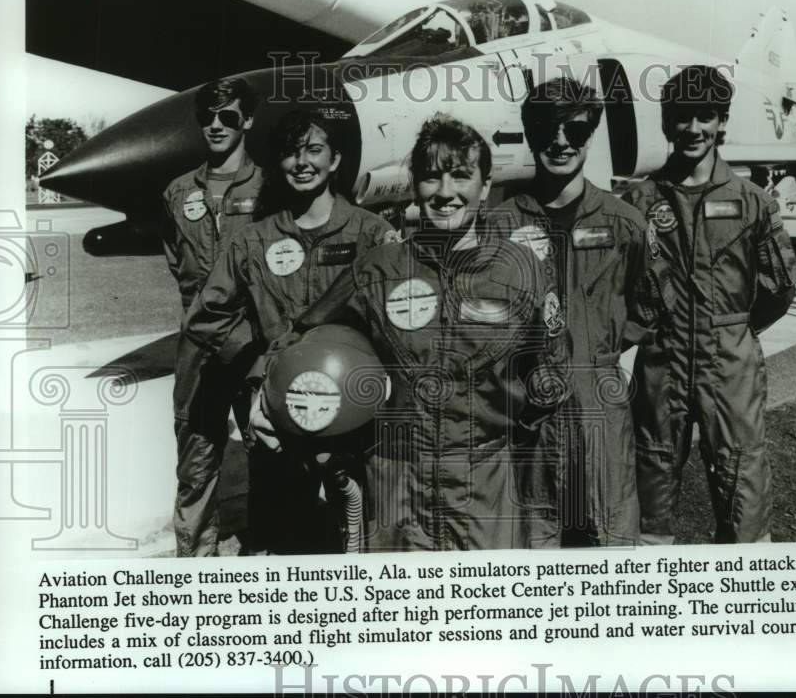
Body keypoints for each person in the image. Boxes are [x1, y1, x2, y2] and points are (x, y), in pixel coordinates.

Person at [251, 113, 569, 551]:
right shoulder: (379, 269)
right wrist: (265, 391)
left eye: (460, 176)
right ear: (414, 183)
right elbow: (304, 333)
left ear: (486, 180)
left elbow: (550, 373)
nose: (444, 193)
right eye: (430, 177)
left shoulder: (522, 271)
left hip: (485, 481)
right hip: (396, 477)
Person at [177, 106, 397, 554]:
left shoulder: (373, 235)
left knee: (367, 535)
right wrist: (259, 365)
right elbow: (206, 316)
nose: (302, 163)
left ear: (334, 160)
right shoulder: (252, 241)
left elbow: (401, 320)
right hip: (279, 416)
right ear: (278, 163)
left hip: (358, 415)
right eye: (291, 153)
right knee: (284, 539)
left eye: (314, 150)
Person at [622, 64, 796, 544]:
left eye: (705, 117)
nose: (693, 129)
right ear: (666, 123)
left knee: (742, 481)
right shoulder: (639, 203)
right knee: (651, 479)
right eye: (682, 117)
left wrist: (734, 330)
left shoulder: (753, 201)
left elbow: (781, 288)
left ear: (722, 122)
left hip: (730, 366)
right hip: (663, 362)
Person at [488, 77, 658, 547]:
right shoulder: (499, 225)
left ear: (590, 135)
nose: (561, 142)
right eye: (547, 129)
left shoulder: (624, 224)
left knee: (606, 542)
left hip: (598, 406)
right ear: (529, 132)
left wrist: (592, 348)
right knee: (530, 544)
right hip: (524, 415)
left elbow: (647, 305)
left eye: (576, 130)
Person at [161, 76, 262, 556]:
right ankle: (196, 568)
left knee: (271, 451)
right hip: (199, 348)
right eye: (207, 116)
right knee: (196, 461)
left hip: (254, 345)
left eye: (227, 116)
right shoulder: (178, 194)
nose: (216, 125)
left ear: (248, 120)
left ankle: (273, 551)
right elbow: (177, 265)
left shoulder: (272, 188)